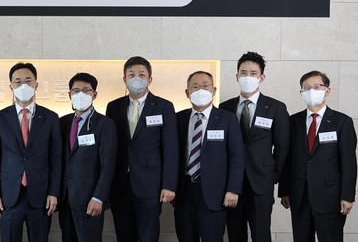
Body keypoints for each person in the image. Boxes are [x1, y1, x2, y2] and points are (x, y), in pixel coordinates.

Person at [0, 62, 61, 242]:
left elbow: (56, 159)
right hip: (8, 195)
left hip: (41, 195)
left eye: (28, 81)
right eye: (18, 81)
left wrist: (53, 192)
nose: (23, 85)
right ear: (11, 86)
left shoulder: (50, 117)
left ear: (36, 85)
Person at [105, 56, 178, 242]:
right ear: (124, 79)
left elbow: (170, 149)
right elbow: (109, 147)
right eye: (131, 75)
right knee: (124, 236)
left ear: (150, 79)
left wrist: (169, 185)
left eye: (141, 74)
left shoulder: (164, 106)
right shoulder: (114, 107)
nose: (136, 78)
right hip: (120, 184)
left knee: (148, 236)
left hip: (150, 185)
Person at [279, 71, 357, 242]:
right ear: (301, 92)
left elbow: (348, 163)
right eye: (306, 87)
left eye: (316, 87)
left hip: (330, 197)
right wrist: (284, 191)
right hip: (299, 196)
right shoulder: (292, 122)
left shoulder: (342, 122)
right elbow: (287, 159)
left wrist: (347, 196)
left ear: (327, 91)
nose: (311, 91)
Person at [219, 52, 289, 242]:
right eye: (243, 73)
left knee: (261, 234)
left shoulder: (275, 107)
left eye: (253, 73)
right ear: (237, 76)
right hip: (231, 183)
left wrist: (272, 175)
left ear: (261, 77)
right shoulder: (224, 107)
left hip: (261, 182)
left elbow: (282, 147)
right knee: (235, 234)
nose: (247, 77)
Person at [174, 71, 244, 242]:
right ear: (187, 92)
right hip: (184, 192)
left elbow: (237, 157)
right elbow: (171, 154)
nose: (200, 90)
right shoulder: (178, 119)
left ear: (213, 90)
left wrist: (233, 190)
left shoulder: (227, 119)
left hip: (215, 194)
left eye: (205, 86)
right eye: (195, 87)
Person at [59, 72, 117, 242]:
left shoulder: (105, 124)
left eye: (86, 90)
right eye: (76, 91)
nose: (80, 94)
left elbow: (108, 165)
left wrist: (98, 197)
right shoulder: (62, 122)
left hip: (89, 199)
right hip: (65, 198)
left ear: (94, 94)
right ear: (70, 94)